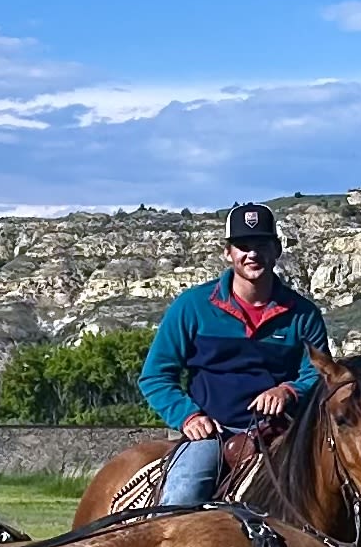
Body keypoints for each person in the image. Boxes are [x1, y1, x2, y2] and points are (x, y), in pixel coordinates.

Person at [136, 202, 333, 508]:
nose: (252, 254)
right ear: (228, 252)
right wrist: (188, 416)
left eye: (261, 245)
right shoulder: (192, 307)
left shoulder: (303, 314)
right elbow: (156, 376)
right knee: (182, 497)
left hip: (281, 435)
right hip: (212, 433)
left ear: (276, 250)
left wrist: (288, 390)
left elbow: (319, 373)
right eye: (243, 246)